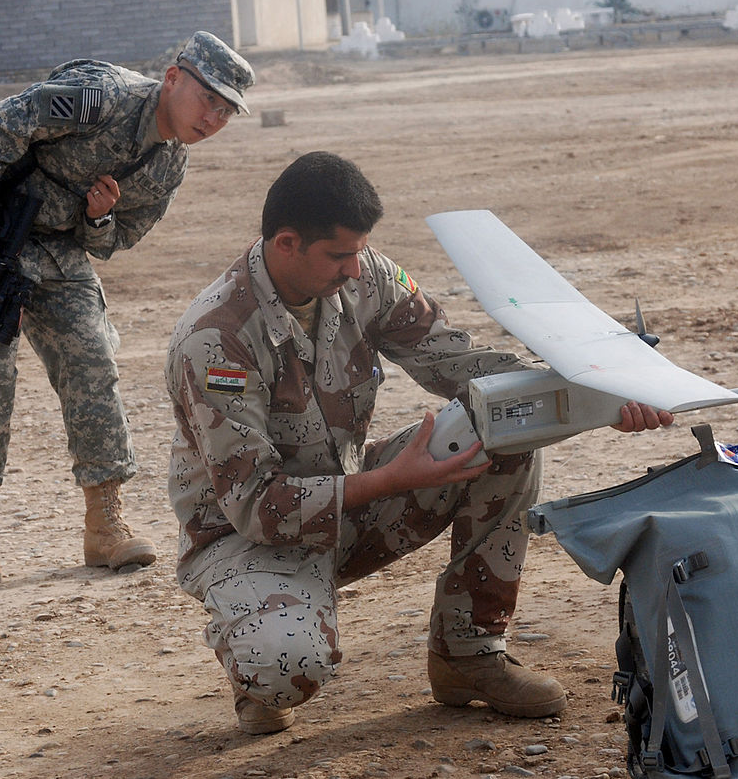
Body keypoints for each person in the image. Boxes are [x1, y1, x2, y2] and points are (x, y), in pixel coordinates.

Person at [164, 151, 673, 734]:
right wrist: (391, 480)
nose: (355, 269)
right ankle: (253, 648)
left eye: (360, 251)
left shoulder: (366, 277)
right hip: (246, 538)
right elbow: (258, 506)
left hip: (352, 496)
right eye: (339, 255)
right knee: (286, 669)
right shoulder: (216, 339)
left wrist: (596, 394)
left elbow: (462, 366)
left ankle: (468, 654)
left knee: (503, 433)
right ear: (286, 244)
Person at [0, 31, 255, 588]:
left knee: (92, 360)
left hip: (55, 243)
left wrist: (100, 218)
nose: (213, 118)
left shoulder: (170, 165)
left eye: (226, 111)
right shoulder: (98, 97)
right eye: (207, 99)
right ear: (173, 78)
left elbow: (117, 240)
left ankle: (105, 521)